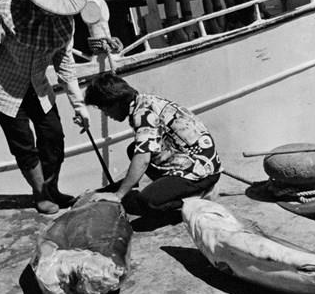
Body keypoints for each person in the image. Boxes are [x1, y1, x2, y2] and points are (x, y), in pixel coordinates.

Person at [0, 0, 91, 214]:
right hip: (3, 87)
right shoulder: (4, 12)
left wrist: (79, 105)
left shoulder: (64, 23)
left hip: (38, 86)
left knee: (53, 136)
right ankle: (40, 194)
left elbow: (65, 63)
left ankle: (51, 188)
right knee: (23, 144)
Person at [83, 72, 220, 219]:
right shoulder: (143, 101)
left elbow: (143, 160)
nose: (106, 114)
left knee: (147, 202)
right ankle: (172, 190)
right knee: (133, 149)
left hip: (201, 172)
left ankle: (197, 197)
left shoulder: (143, 114)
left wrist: (118, 195)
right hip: (195, 160)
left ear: (115, 102)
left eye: (104, 109)